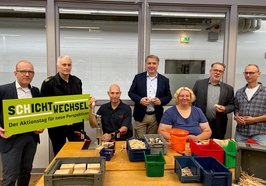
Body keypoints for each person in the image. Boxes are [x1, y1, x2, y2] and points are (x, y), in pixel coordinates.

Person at [0, 60, 43, 186]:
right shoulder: (3, 90)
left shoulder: (35, 91)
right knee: (10, 176)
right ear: (15, 73)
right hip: (11, 139)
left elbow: (40, 114)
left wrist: (41, 126)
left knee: (25, 173)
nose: (27, 74)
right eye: (23, 71)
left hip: (31, 138)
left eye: (30, 72)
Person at [41, 55, 84, 156]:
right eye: (64, 65)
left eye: (69, 65)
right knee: (59, 153)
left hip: (75, 125)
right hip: (57, 127)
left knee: (78, 152)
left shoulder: (77, 81)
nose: (67, 67)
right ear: (58, 66)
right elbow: (44, 106)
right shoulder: (48, 83)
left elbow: (79, 102)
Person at [128, 55, 172, 138]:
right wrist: (140, 100)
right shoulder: (138, 78)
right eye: (149, 63)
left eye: (154, 63)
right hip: (140, 115)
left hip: (155, 116)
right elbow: (131, 93)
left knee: (152, 142)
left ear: (158, 64)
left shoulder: (164, 80)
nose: (151, 65)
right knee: (140, 142)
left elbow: (168, 96)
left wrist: (161, 101)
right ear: (146, 64)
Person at [192, 62, 234, 139]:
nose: (218, 73)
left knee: (216, 146)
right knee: (199, 145)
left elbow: (232, 105)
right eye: (215, 70)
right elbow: (191, 100)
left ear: (223, 73)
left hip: (219, 124)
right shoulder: (199, 84)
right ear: (210, 71)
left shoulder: (228, 88)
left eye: (220, 71)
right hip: (200, 123)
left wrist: (225, 108)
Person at [234, 64, 266, 145]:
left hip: (261, 134)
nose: (248, 75)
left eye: (251, 73)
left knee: (260, 157)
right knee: (239, 156)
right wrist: (237, 117)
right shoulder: (239, 92)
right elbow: (236, 109)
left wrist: (254, 119)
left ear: (259, 74)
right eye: (246, 73)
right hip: (241, 133)